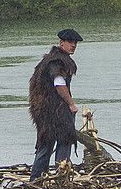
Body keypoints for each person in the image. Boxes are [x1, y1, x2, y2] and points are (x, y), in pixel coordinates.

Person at [28, 28, 83, 180]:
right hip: (56, 109)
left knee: (45, 144)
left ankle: (37, 179)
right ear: (61, 43)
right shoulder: (58, 61)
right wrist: (71, 104)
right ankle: (61, 177)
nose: (73, 45)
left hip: (43, 110)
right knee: (65, 140)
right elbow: (59, 84)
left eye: (75, 43)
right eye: (70, 42)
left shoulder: (48, 59)